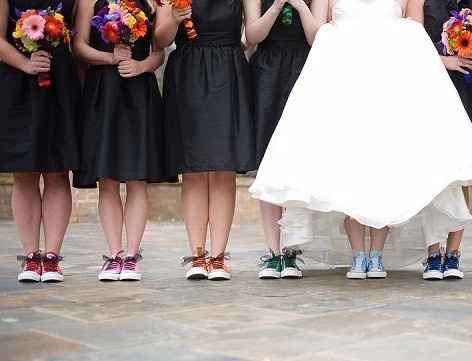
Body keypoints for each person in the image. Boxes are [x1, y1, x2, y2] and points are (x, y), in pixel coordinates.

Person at [250, 0, 472, 279]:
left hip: (387, 85)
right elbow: (318, 35)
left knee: (382, 168)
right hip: (343, 83)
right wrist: (305, 11)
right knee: (348, 169)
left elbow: (415, 35)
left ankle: (379, 254)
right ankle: (356, 253)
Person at [155, 0, 257, 281]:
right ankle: (197, 255)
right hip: (188, 74)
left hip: (229, 70)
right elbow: (161, 40)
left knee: (224, 168)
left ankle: (219, 256)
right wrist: (175, 19)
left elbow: (251, 34)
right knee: (193, 169)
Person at [73, 0, 172, 281]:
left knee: (137, 179)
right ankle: (114, 254)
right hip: (103, 92)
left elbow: (159, 52)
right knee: (107, 179)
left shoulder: (154, 2)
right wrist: (109, 58)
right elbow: (78, 45)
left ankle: (131, 256)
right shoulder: (89, 1)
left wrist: (141, 66)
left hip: (138, 91)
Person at [407, 0, 472, 280]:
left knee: (463, 170)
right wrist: (446, 61)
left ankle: (454, 253)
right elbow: (410, 41)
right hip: (430, 85)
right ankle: (432, 253)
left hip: (469, 86)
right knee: (429, 171)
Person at [245, 0, 328, 279]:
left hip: (305, 72)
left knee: (296, 161)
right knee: (268, 164)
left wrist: (301, 7)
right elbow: (252, 35)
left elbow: (317, 37)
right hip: (267, 74)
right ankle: (273, 252)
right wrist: (278, 4)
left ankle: (291, 249)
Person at [0, 0, 81, 283]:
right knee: (24, 173)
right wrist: (26, 63)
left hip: (60, 83)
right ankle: (31, 256)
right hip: (17, 84)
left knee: (58, 172)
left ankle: (52, 257)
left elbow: (79, 41)